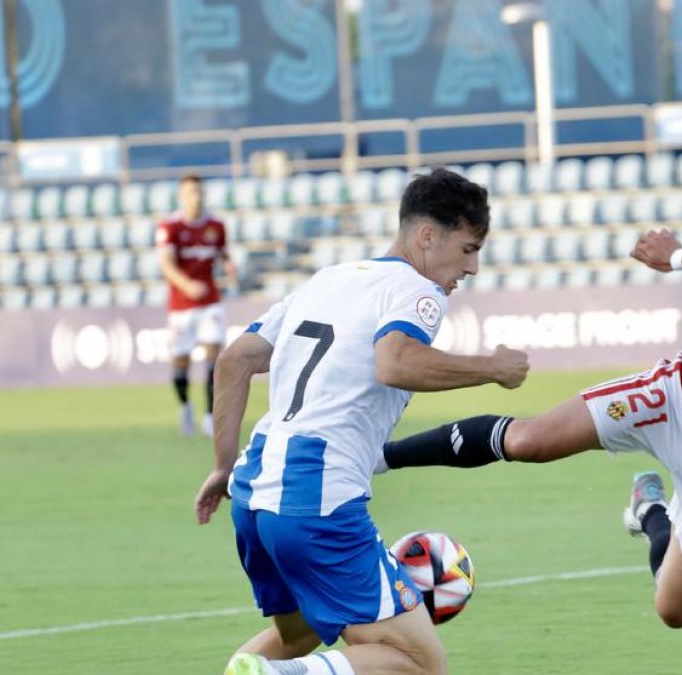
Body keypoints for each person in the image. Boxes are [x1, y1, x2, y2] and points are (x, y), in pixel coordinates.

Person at [383, 230, 682, 675]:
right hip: (672, 399)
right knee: (529, 441)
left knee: (672, 611)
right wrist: (677, 255)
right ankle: (380, 458)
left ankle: (650, 511)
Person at [192, 168, 530, 675]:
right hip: (316, 497)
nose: (474, 267)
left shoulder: (329, 279)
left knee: (299, 631)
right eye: (468, 249)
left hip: (253, 489)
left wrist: (221, 466)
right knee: (418, 661)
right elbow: (394, 362)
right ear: (427, 236)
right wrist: (493, 369)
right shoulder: (419, 292)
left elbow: (234, 360)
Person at [156, 174, 238, 437]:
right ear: (182, 196)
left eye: (199, 192)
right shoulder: (170, 227)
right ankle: (185, 405)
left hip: (210, 301)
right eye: (191, 192)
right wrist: (187, 285)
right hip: (181, 305)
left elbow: (222, 250)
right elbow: (166, 264)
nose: (196, 196)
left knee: (215, 352)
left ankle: (209, 415)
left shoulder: (215, 225)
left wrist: (228, 263)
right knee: (181, 362)